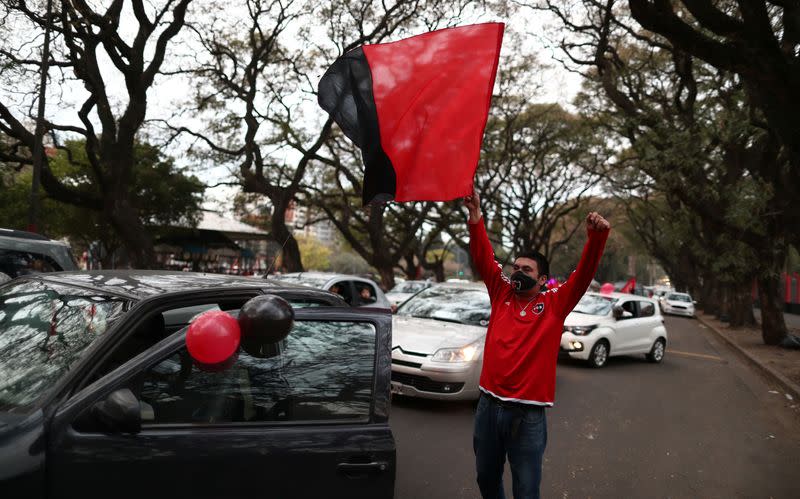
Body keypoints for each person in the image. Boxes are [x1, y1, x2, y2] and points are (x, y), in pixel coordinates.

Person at [463, 190, 610, 499]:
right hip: (488, 408)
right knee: (485, 478)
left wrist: (596, 238)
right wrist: (476, 217)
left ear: (543, 280)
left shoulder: (555, 304)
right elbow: (483, 257)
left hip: (527, 416)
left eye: (526, 270)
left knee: (526, 489)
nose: (517, 272)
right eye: (515, 267)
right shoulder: (501, 293)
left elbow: (582, 276)